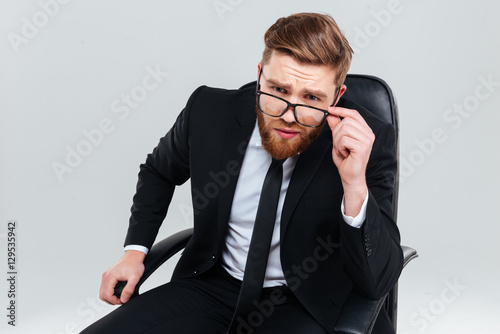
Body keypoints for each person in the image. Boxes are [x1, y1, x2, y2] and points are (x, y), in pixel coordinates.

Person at [81, 12, 403, 334]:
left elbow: (378, 281)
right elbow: (158, 171)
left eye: (311, 98)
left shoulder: (367, 142)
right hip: (213, 286)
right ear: (260, 75)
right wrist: (134, 253)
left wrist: (354, 183)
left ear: (337, 97)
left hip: (307, 302)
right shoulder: (209, 112)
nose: (289, 115)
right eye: (278, 90)